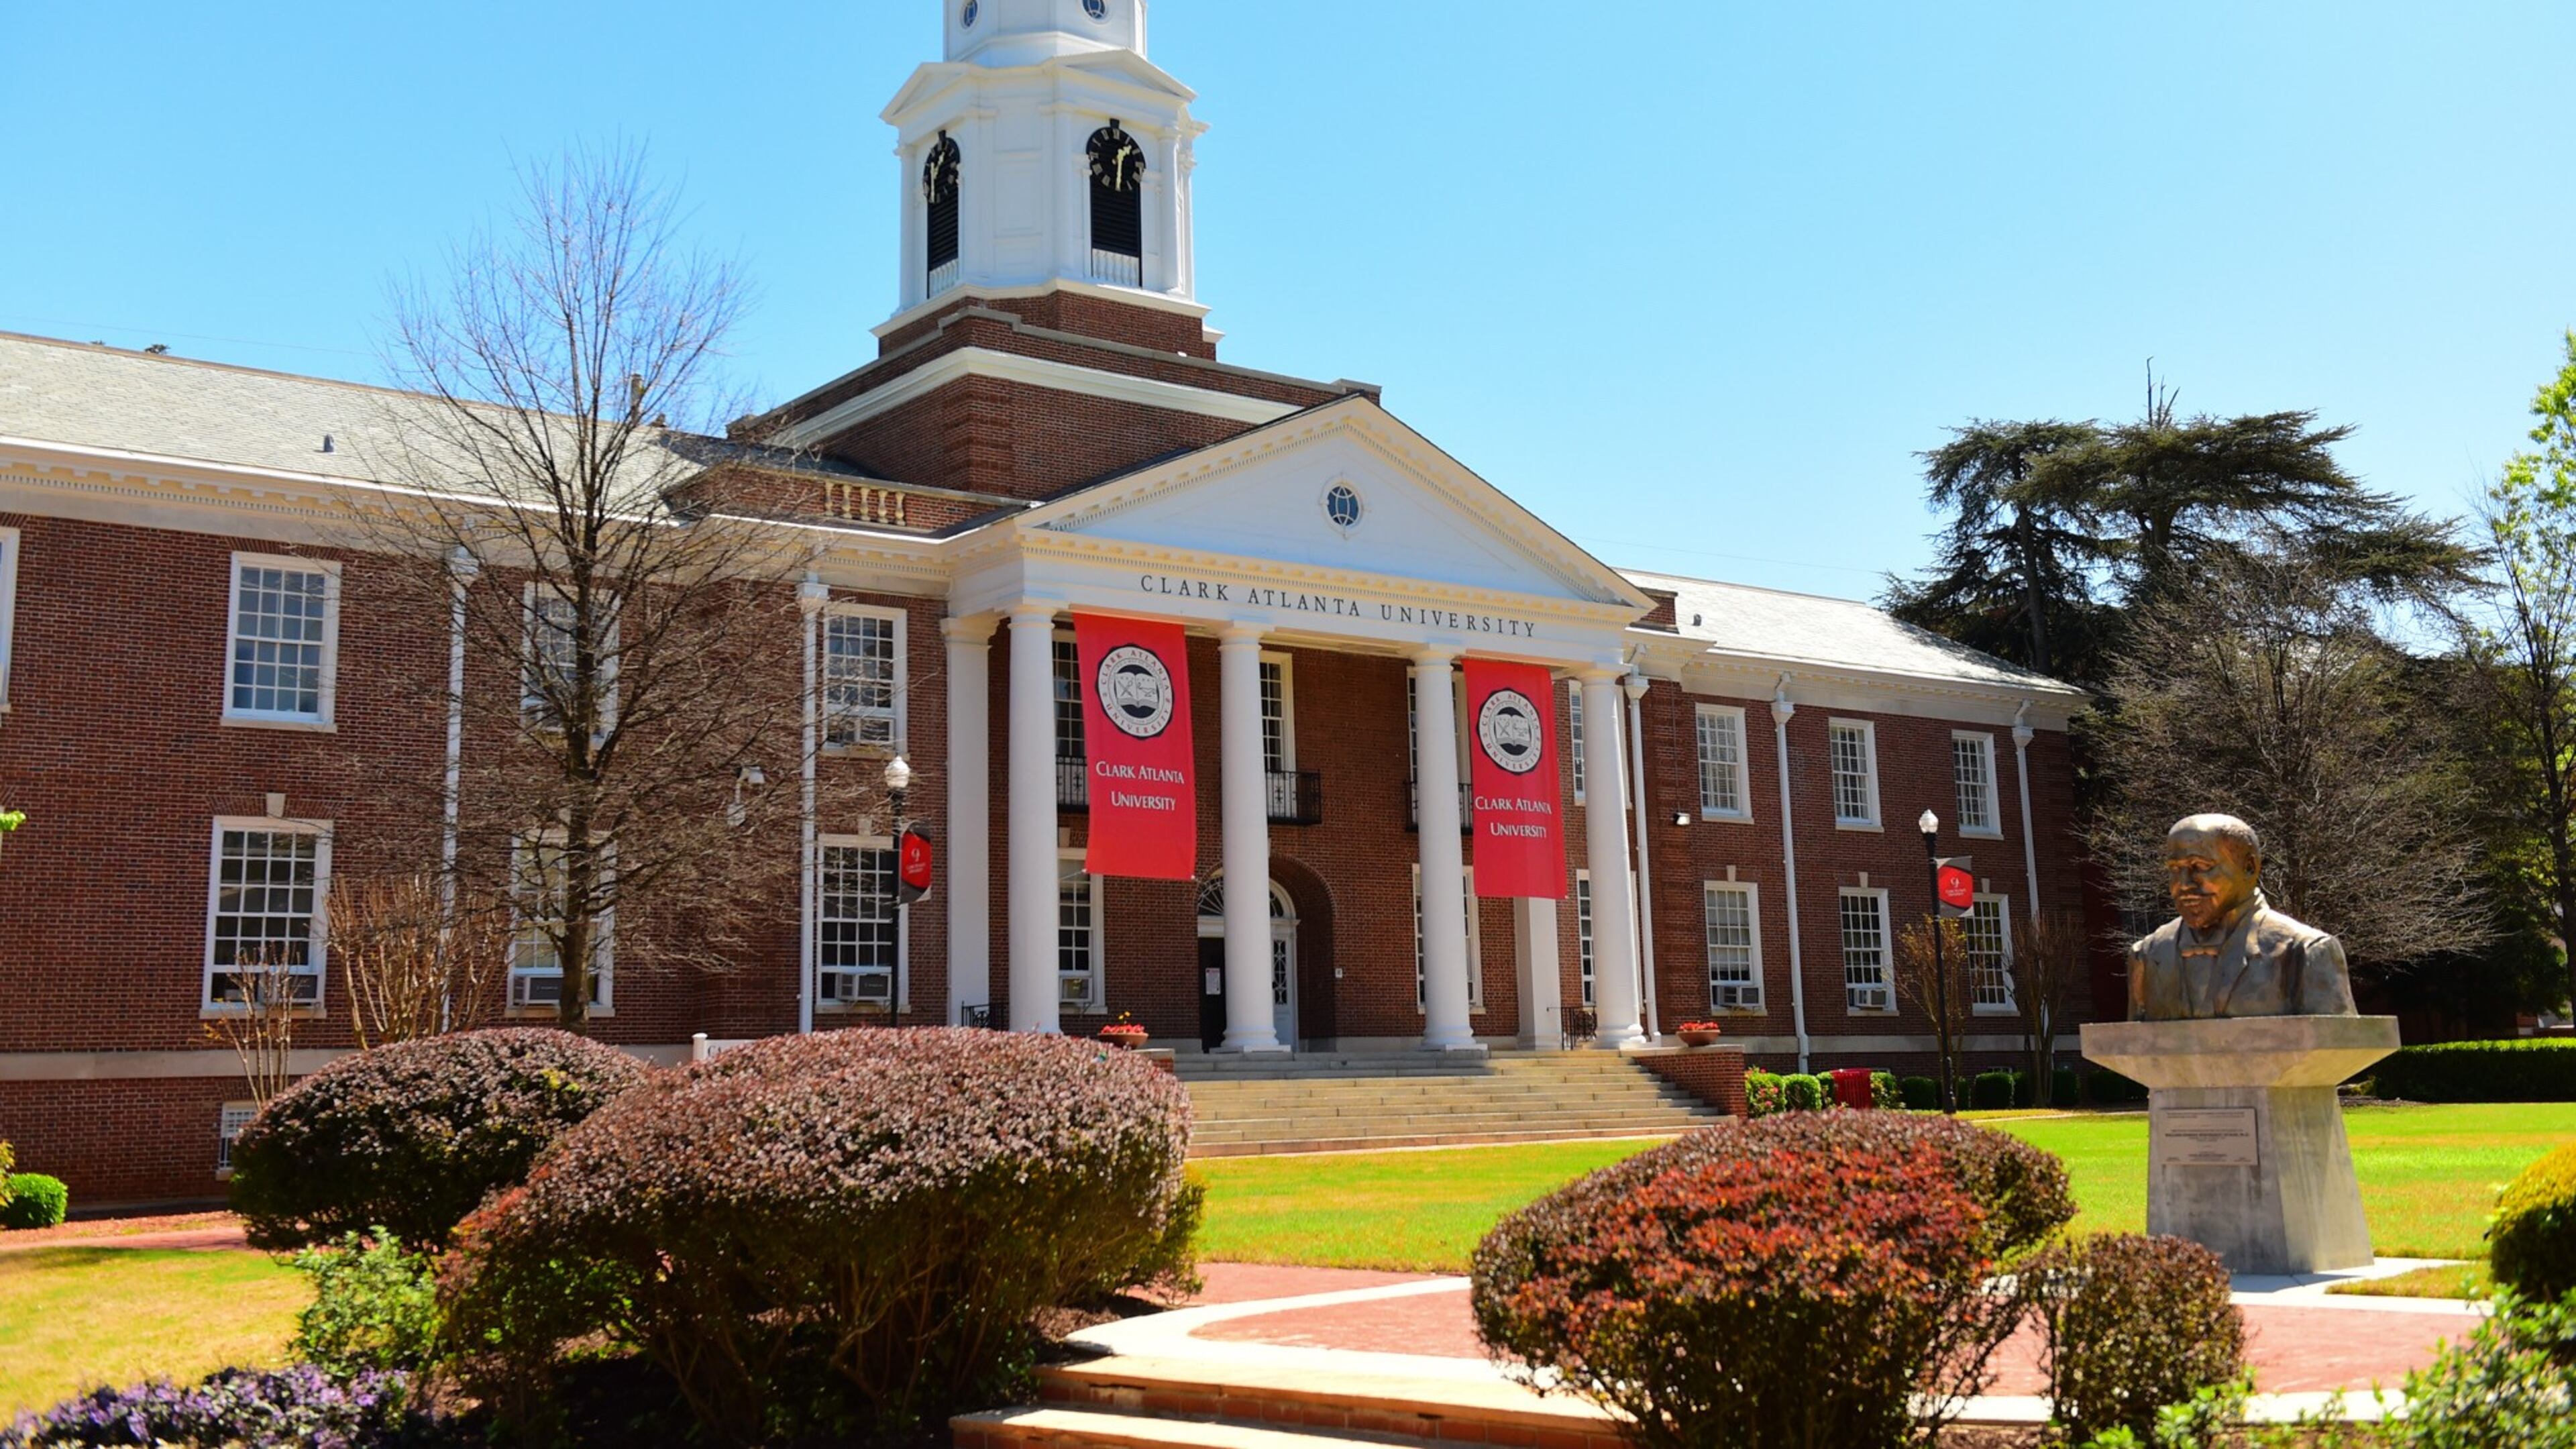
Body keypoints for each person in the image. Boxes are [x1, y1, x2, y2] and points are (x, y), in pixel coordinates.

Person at [2129, 814, 2357, 1021]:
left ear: (2249, 867)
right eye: (2175, 869)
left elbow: (2338, 1050)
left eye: (2200, 867)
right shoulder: (2147, 955)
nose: (2184, 884)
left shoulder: (2304, 952)